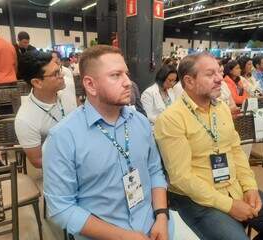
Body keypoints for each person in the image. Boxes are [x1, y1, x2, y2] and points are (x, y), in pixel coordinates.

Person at [154, 52, 263, 240]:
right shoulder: (171, 119)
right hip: (198, 199)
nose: (219, 79)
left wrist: (250, 187)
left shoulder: (221, 108)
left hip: (235, 186)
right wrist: (230, 205)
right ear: (189, 81)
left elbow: (235, 150)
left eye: (219, 72)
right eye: (210, 74)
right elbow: (181, 178)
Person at [42, 45, 174, 240]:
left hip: (154, 226)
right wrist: (122, 236)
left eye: (126, 74)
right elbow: (62, 208)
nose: (128, 82)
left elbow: (154, 170)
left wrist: (162, 216)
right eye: (116, 75)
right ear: (90, 85)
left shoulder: (140, 123)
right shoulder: (63, 138)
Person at [15, 51, 76, 169]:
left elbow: (77, 108)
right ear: (37, 82)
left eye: (60, 69)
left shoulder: (65, 85)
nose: (62, 75)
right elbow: (37, 161)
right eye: (56, 73)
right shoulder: (25, 119)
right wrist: (73, 161)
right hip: (60, 168)